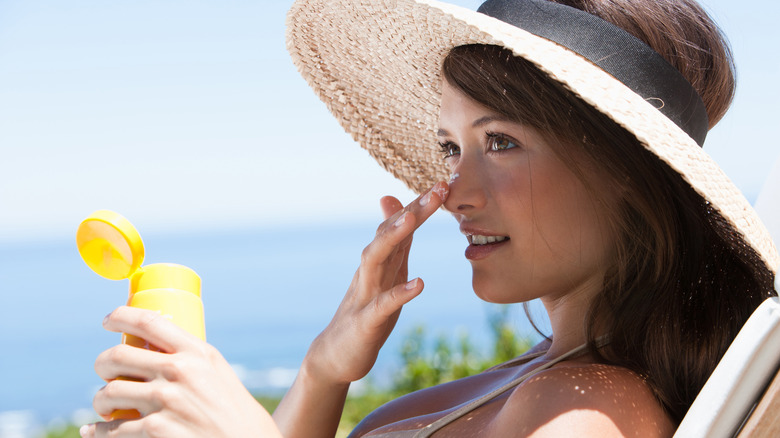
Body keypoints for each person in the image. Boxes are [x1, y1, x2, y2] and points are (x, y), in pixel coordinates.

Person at [79, 0, 779, 437]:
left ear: (628, 174)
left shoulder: (591, 410)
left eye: (500, 142)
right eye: (452, 147)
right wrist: (325, 372)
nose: (454, 191)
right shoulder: (547, 377)